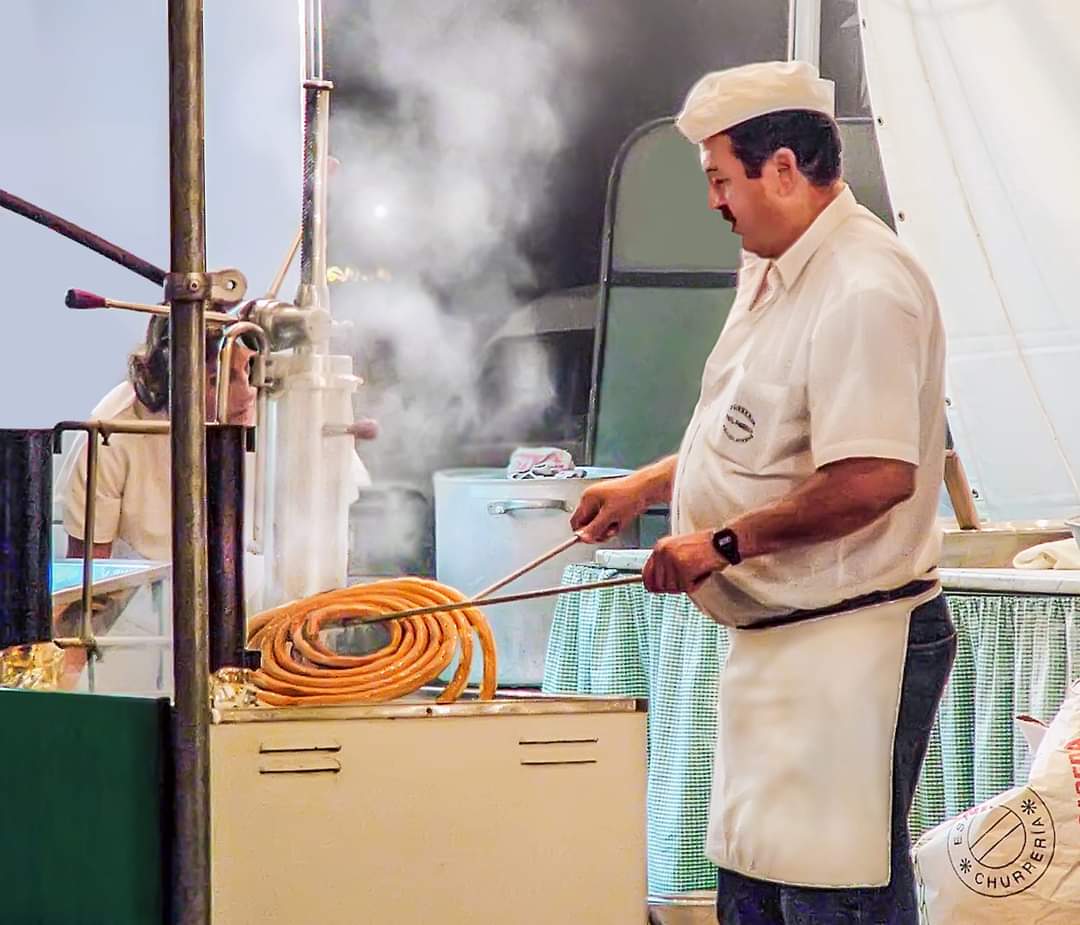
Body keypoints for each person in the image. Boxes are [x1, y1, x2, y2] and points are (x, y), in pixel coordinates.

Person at [571, 61, 956, 923]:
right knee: (754, 890)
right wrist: (646, 485)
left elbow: (876, 477)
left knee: (834, 893)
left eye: (721, 179)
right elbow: (750, 435)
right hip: (777, 642)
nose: (714, 201)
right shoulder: (775, 266)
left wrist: (721, 544)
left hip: (852, 640)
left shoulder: (865, 288)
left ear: (782, 168)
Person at [58, 316, 259, 561]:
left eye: (247, 369)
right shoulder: (112, 432)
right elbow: (89, 568)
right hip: (143, 582)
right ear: (173, 379)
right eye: (217, 380)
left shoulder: (274, 410)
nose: (247, 394)